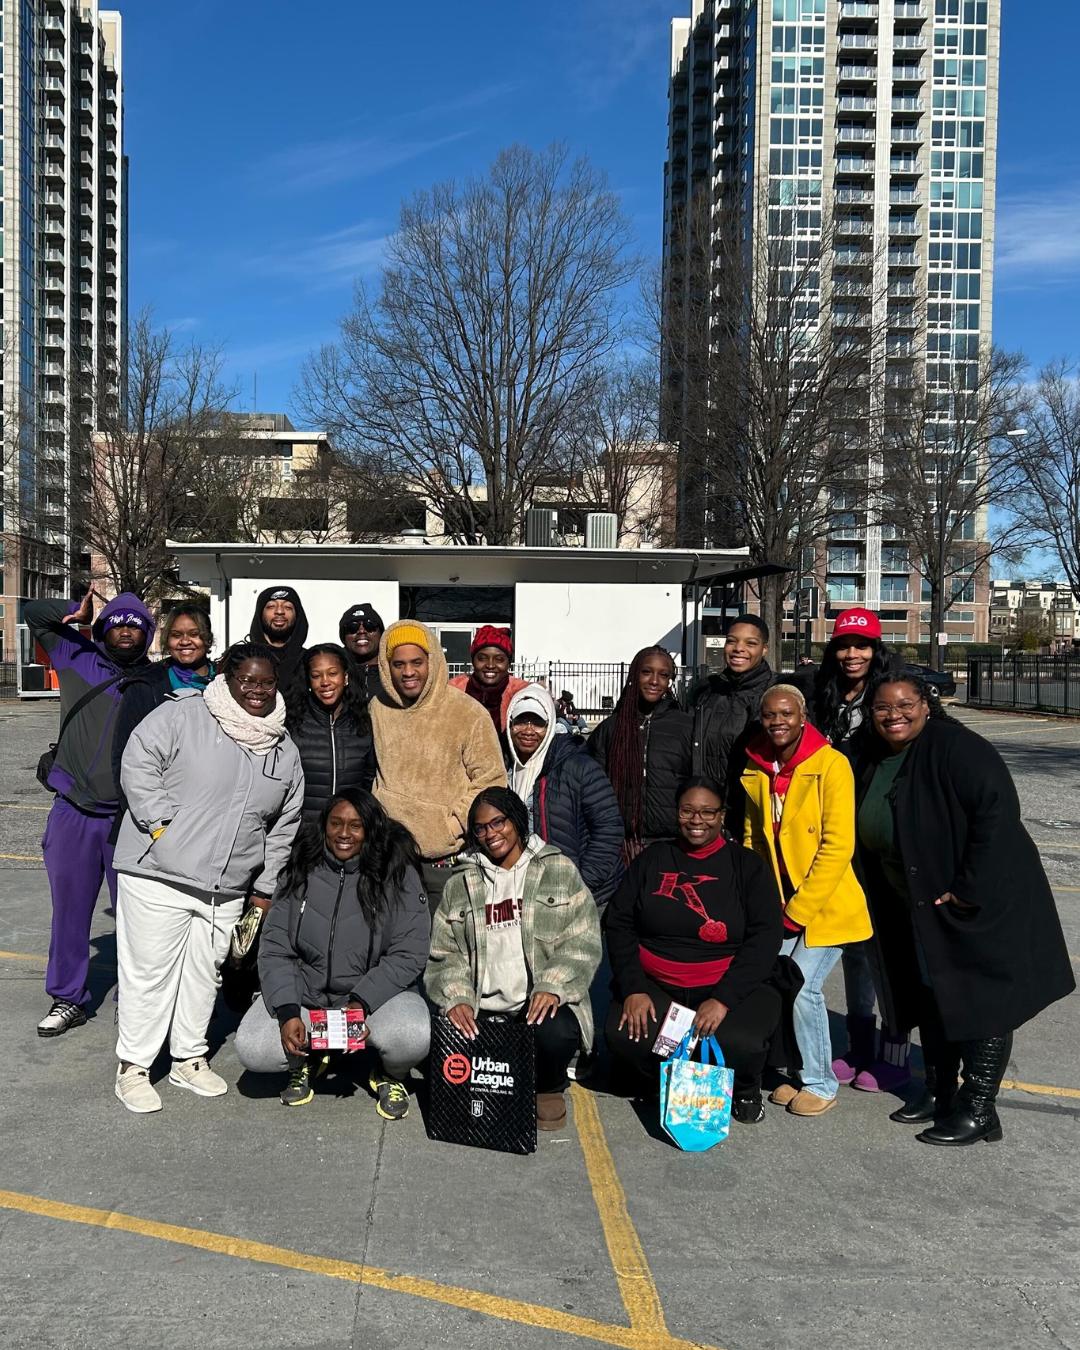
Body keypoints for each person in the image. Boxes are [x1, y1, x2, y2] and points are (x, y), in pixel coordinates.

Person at [854, 673, 1075, 1146]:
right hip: (913, 902)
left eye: (905, 704)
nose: (894, 715)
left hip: (972, 901)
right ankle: (939, 1091)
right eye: (882, 708)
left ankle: (979, 1109)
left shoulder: (958, 747)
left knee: (981, 1001)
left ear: (926, 705)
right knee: (934, 995)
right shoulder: (875, 755)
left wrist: (967, 888)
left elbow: (996, 815)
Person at [111, 642, 304, 1113]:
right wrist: (160, 827)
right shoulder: (185, 715)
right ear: (227, 678)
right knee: (149, 975)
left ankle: (188, 1058)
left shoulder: (283, 747)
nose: (257, 690)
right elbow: (138, 763)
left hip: (226, 887)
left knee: (204, 976)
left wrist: (264, 886)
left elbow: (285, 825)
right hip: (158, 873)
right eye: (248, 681)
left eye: (266, 682)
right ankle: (133, 1068)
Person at [235, 789, 431, 1119]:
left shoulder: (396, 872)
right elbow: (275, 948)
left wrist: (361, 1002)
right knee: (253, 1047)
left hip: (371, 1002)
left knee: (412, 1035)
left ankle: (388, 1075)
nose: (344, 833)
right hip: (309, 998)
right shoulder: (301, 867)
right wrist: (287, 1012)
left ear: (371, 829)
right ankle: (307, 1059)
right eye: (336, 823)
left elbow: (408, 953)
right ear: (323, 825)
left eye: (356, 826)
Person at [604, 778, 786, 1124]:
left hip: (726, 983)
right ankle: (663, 1079)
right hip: (658, 983)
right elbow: (619, 923)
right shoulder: (653, 859)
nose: (696, 820)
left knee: (740, 1041)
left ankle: (745, 1084)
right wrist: (633, 987)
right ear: (676, 813)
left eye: (707, 812)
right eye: (687, 811)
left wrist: (724, 999)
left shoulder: (746, 865)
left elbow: (765, 936)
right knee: (628, 1035)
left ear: (722, 815)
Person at [425, 787, 603, 1131]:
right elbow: (445, 954)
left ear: (517, 821)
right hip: (482, 1011)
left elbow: (583, 940)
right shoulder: (461, 883)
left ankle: (547, 1085)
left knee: (557, 1031)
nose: (491, 834)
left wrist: (552, 986)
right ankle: (505, 1074)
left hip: (533, 1009)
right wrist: (456, 997)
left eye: (499, 822)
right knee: (450, 1077)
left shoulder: (558, 869)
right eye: (481, 828)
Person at [791, 608, 910, 1095]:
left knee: (887, 952)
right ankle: (859, 1044)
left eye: (862, 645)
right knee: (856, 951)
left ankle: (895, 1052)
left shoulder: (892, 698)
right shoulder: (822, 696)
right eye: (844, 645)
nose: (852, 654)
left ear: (876, 650)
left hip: (881, 841)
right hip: (835, 839)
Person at [26, 588, 155, 1037]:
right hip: (74, 811)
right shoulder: (75, 655)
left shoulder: (156, 682)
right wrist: (73, 612)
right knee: (70, 912)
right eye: (118, 622)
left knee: (138, 918)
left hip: (130, 820)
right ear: (102, 627)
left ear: (147, 634)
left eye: (136, 625)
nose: (125, 630)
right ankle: (68, 998)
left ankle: (135, 1001)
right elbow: (33, 614)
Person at [741, 684, 873, 1117]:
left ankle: (821, 1080)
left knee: (801, 987)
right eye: (769, 715)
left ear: (803, 717)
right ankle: (797, 1072)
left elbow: (837, 847)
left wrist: (798, 912)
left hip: (826, 903)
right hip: (777, 900)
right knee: (774, 983)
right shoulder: (757, 766)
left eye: (786, 714)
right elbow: (751, 837)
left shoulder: (831, 766)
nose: (777, 722)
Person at [370, 620, 506, 903]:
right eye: (399, 664)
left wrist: (452, 825)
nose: (408, 672)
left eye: (416, 662)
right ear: (387, 666)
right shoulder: (377, 709)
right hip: (389, 859)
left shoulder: (467, 712)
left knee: (446, 946)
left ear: (431, 661)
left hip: (445, 865)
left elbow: (492, 782)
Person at [506, 684, 624, 906]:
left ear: (550, 724)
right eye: (521, 721)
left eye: (538, 722)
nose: (529, 730)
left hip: (582, 897)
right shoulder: (506, 769)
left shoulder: (579, 766)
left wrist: (579, 883)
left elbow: (609, 829)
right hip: (530, 896)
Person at [588, 646, 693, 856]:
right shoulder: (611, 727)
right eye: (646, 672)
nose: (654, 681)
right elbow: (592, 785)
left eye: (663, 675)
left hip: (671, 844)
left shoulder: (686, 726)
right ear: (634, 675)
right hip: (621, 845)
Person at [111, 604, 216, 802]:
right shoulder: (145, 685)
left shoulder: (228, 683)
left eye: (194, 634)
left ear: (208, 639)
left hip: (214, 801)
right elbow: (123, 755)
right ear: (168, 640)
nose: (185, 641)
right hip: (162, 800)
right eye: (177, 635)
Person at [689, 616, 774, 822]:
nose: (738, 648)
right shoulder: (705, 692)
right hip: (703, 813)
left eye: (750, 643)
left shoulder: (772, 696)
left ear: (764, 649)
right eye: (731, 640)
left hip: (749, 816)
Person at [287, 644, 375, 823]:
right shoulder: (293, 722)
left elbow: (369, 778)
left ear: (346, 677)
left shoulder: (363, 721)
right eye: (316, 676)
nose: (325, 682)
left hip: (348, 831)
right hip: (305, 834)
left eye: (333, 673)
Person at [449, 625, 529, 747]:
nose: (490, 665)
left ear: (509, 663)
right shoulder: (454, 691)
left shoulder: (521, 692)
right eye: (482, 658)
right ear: (473, 660)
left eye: (499, 659)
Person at [249, 585, 309, 697]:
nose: (280, 611)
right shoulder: (243, 658)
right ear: (260, 614)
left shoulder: (308, 661)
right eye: (271, 606)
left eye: (288, 607)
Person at [339, 602, 385, 702]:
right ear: (344, 637)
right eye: (352, 627)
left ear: (381, 634)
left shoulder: (394, 672)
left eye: (370, 625)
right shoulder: (334, 674)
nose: (361, 631)